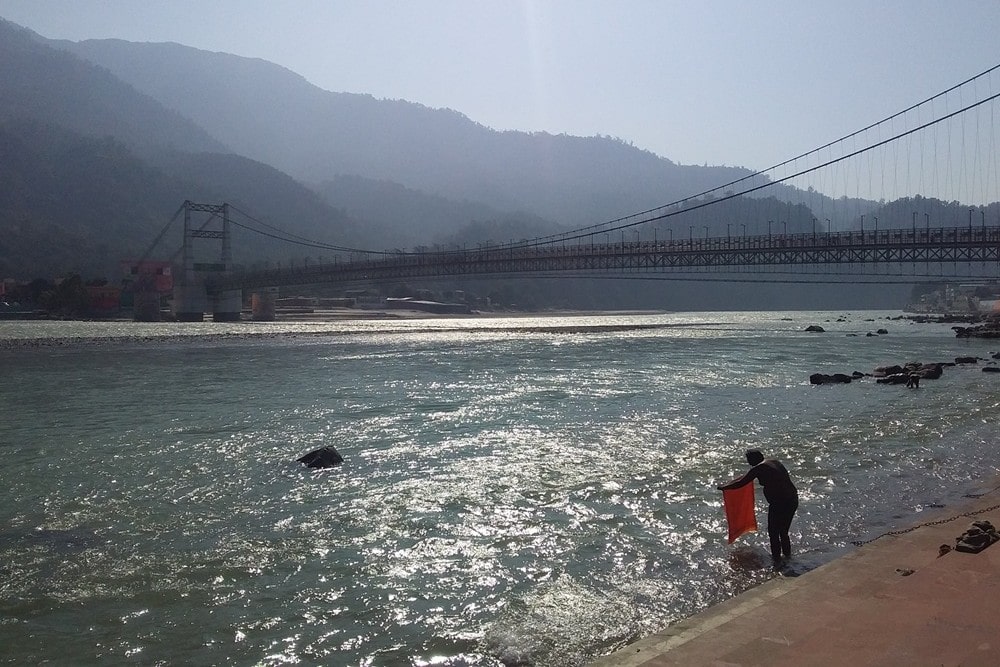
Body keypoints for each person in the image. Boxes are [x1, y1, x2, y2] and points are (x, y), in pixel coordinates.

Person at [718, 449, 798, 563]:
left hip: (780, 503)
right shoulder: (774, 461)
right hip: (792, 499)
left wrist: (723, 488)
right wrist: (727, 484)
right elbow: (744, 477)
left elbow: (741, 482)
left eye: (749, 460)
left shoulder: (759, 467)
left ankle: (777, 561)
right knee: (783, 532)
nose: (749, 463)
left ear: (755, 459)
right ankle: (788, 559)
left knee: (773, 533)